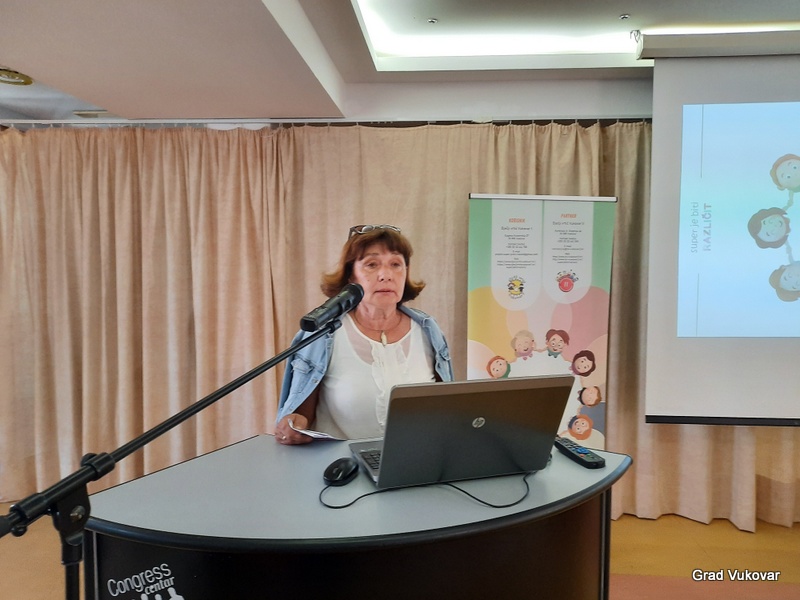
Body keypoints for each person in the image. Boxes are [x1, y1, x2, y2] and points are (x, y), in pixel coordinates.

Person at [275, 224, 454, 443]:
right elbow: (301, 416)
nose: (386, 275)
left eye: (396, 264)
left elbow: (444, 409)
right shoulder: (324, 334)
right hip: (342, 461)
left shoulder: (428, 330)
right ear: (351, 277)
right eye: (372, 264)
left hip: (417, 458)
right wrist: (293, 425)